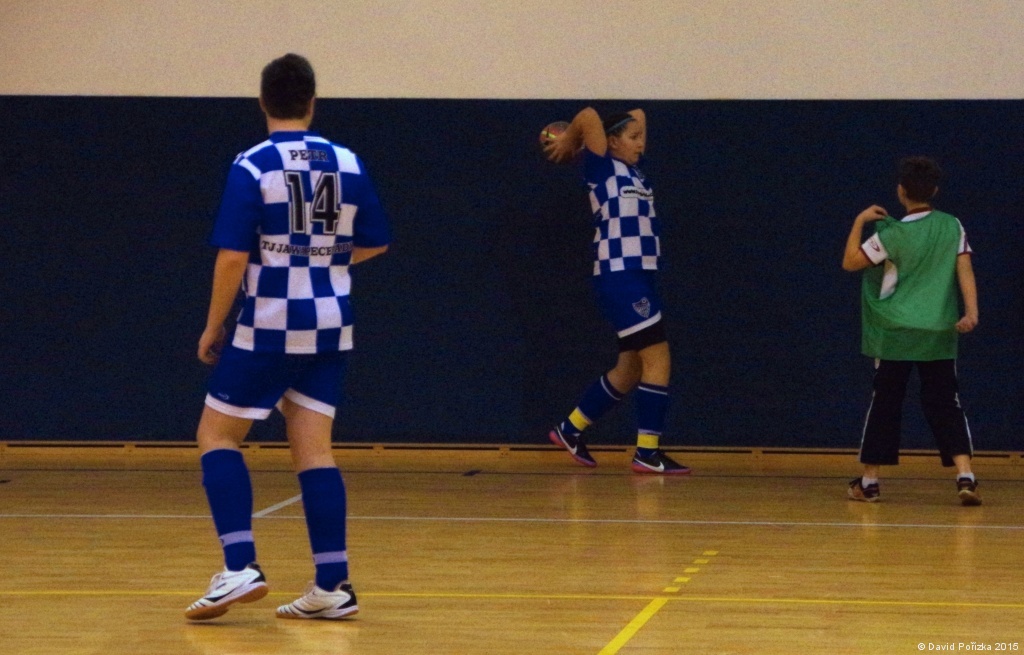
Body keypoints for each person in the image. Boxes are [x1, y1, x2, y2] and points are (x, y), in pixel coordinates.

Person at [185, 53, 391, 621]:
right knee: (314, 449)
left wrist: (213, 324)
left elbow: (233, 257)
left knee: (217, 435)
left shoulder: (253, 164)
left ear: (262, 102)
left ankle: (239, 566)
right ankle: (332, 586)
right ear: (312, 103)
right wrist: (321, 260)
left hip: (271, 321)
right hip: (330, 323)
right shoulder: (347, 162)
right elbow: (377, 241)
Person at [543, 107, 689, 474]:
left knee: (629, 368)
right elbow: (589, 115)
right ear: (611, 142)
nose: (641, 144)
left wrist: (629, 129)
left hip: (640, 276)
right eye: (632, 138)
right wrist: (572, 139)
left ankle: (570, 428)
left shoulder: (634, 170)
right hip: (620, 275)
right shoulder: (601, 166)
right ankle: (647, 452)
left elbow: (638, 113)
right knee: (659, 359)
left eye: (640, 138)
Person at [841, 156, 980, 506]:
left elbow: (850, 263)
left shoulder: (891, 233)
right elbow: (964, 269)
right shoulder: (952, 225)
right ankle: (965, 475)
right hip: (938, 331)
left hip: (895, 333)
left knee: (885, 404)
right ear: (935, 190)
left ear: (901, 191)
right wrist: (971, 312)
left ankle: (870, 482)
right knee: (946, 403)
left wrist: (859, 221)